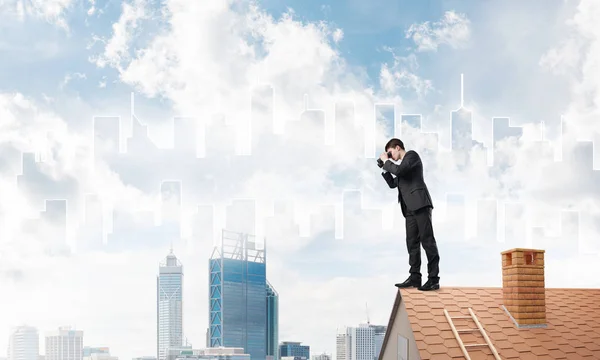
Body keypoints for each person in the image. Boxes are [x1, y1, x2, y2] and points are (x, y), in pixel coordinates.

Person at [378, 138, 440, 291]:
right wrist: (385, 168)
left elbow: (399, 171)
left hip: (420, 204)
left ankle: (433, 279)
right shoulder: (401, 167)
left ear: (397, 147)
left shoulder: (412, 156)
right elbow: (394, 184)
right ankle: (415, 278)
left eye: (390, 153)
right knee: (412, 244)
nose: (390, 157)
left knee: (427, 241)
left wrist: (387, 161)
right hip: (409, 209)